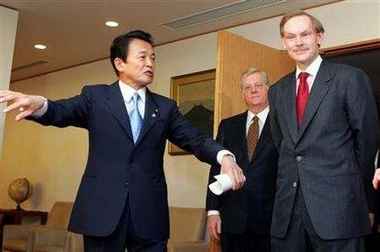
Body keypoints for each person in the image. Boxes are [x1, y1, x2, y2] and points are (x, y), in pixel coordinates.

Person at [0, 30, 246, 252]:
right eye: (142, 57)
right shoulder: (96, 97)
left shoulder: (165, 107)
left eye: (153, 57)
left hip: (149, 214)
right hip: (103, 211)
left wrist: (224, 157)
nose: (150, 63)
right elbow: (62, 111)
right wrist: (41, 105)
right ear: (120, 63)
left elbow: (196, 139)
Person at [268, 11, 378, 252]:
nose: (298, 42)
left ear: (319, 36)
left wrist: (357, 196)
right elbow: (282, 144)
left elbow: (367, 142)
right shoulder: (276, 91)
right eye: (291, 36)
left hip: (339, 211)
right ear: (283, 42)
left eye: (305, 34)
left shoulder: (350, 79)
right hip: (288, 214)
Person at [206, 68, 278, 252]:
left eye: (258, 85)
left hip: (271, 221)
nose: (253, 90)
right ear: (243, 93)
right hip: (233, 221)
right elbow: (216, 170)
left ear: (268, 88)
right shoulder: (228, 126)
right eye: (247, 87)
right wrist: (213, 211)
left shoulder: (282, 124)